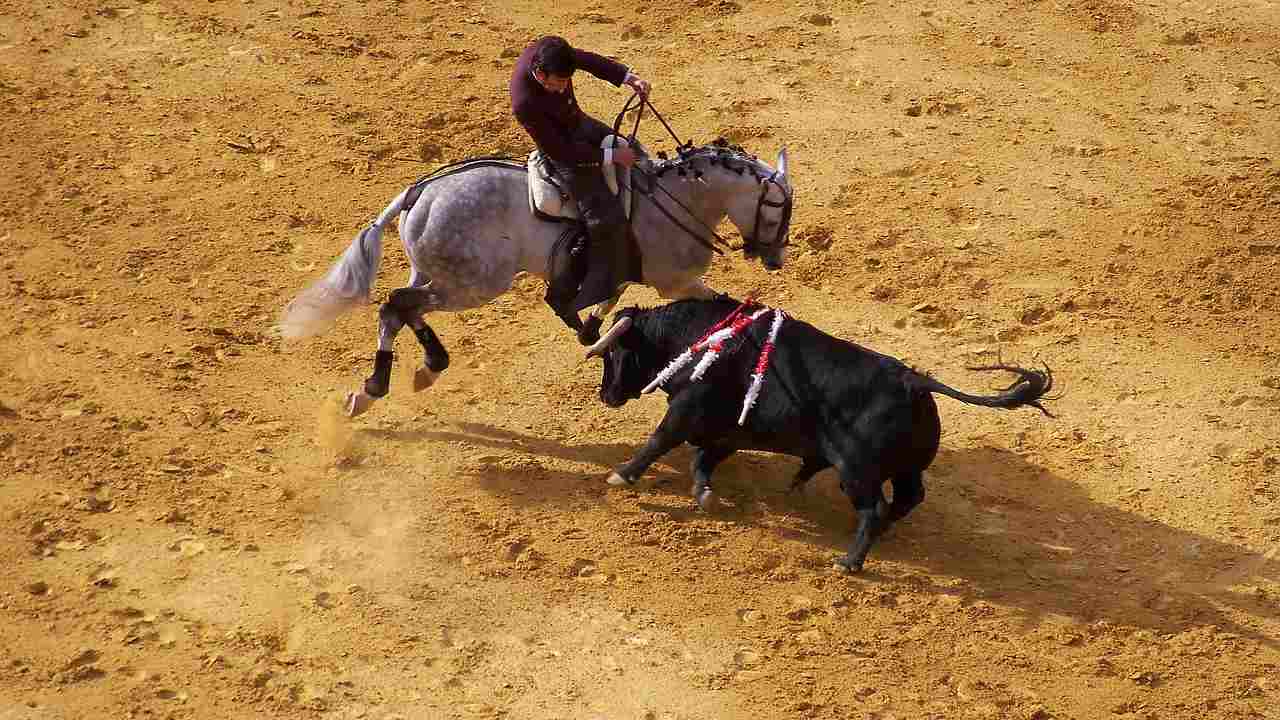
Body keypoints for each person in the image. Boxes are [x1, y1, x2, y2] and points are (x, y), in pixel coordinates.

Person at [509, 35, 652, 331]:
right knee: (603, 220)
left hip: (577, 122)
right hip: (563, 153)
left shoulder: (551, 49)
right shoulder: (524, 102)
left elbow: (584, 58)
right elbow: (561, 151)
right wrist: (610, 156)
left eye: (565, 82)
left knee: (639, 157)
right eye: (555, 84)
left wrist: (627, 77)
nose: (562, 88)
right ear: (539, 73)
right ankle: (564, 295)